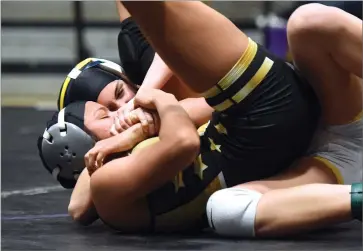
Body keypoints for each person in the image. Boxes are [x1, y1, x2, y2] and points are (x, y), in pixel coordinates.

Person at [38, 2, 361, 236]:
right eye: (106, 113)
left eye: (120, 96)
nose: (121, 110)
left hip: (314, 115)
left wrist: (143, 114)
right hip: (326, 162)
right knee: (226, 209)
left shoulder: (149, 113)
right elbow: (182, 140)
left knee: (310, 20)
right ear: (92, 145)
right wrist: (153, 104)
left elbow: (202, 105)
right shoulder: (115, 172)